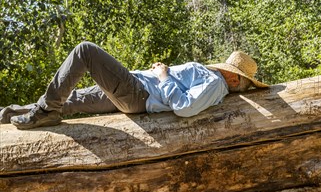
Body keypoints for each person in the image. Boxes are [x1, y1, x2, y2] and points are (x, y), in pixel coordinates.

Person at [0, 41, 269, 130]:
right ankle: (9, 114)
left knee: (86, 51)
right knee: (71, 100)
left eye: (229, 70)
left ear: (234, 78)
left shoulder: (213, 82)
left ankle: (45, 111)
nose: (224, 70)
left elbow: (185, 107)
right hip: (135, 89)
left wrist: (163, 76)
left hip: (136, 94)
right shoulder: (213, 80)